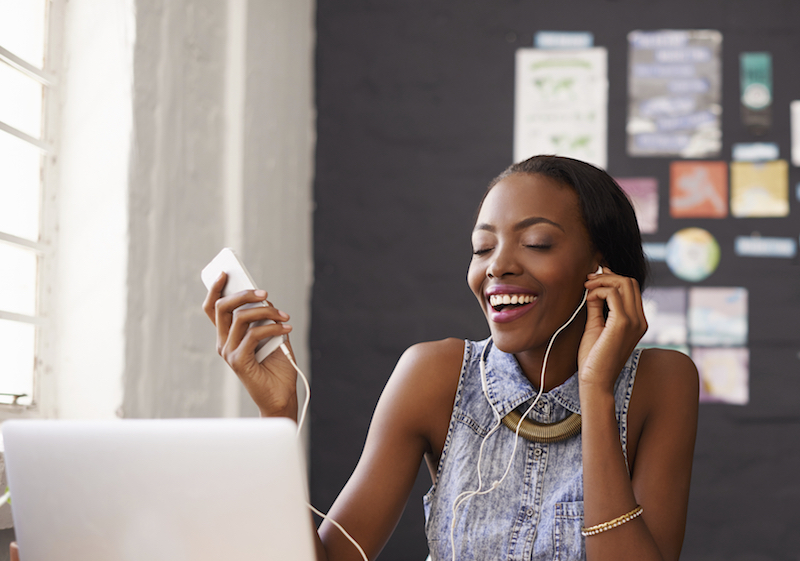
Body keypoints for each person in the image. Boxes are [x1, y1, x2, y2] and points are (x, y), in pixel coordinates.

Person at [203, 155, 699, 561]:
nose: (498, 266)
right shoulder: (434, 376)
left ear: (601, 271)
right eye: (482, 248)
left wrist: (595, 389)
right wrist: (278, 415)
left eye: (536, 243)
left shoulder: (662, 382)